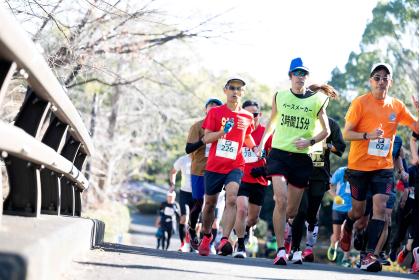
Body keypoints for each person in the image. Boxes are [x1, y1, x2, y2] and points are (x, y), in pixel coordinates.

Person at [258, 57, 337, 265]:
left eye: (304, 74)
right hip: (279, 155)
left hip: (302, 159)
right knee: (281, 200)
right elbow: (272, 123)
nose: (300, 77)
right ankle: (281, 249)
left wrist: (310, 141)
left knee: (292, 211)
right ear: (290, 76)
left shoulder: (317, 100)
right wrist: (261, 144)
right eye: (297, 73)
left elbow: (327, 131)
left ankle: (292, 239)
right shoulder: (280, 97)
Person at [340, 62, 418, 272]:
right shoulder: (360, 103)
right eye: (377, 77)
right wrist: (367, 136)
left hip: (383, 167)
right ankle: (348, 225)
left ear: (390, 82)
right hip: (358, 167)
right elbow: (346, 134)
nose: (381, 81)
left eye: (385, 78)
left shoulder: (397, 106)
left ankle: (369, 255)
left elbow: (416, 127)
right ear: (370, 81)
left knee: (381, 210)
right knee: (357, 212)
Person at [197, 76, 258, 256]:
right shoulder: (215, 113)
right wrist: (224, 131)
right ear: (225, 90)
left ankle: (224, 239)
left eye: (239, 89)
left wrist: (254, 147)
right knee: (209, 204)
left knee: (232, 199)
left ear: (243, 93)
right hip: (215, 165)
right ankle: (207, 236)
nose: (235, 92)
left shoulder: (247, 117)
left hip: (235, 164)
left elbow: (246, 136)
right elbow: (206, 138)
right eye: (232, 88)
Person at [287, 117, 346, 264]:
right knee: (301, 211)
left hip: (319, 175)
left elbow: (340, 147)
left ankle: (308, 247)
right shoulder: (300, 117)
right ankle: (295, 249)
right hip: (299, 171)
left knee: (312, 215)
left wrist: (326, 145)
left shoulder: (330, 124)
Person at [233, 100, 272, 258]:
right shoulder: (238, 132)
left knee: (253, 218)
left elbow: (274, 158)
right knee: (241, 209)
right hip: (241, 177)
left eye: (254, 114)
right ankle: (240, 245)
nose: (251, 117)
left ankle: (248, 229)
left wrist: (264, 169)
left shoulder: (266, 133)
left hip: (259, 180)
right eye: (248, 114)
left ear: (259, 115)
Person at [185, 97, 223, 250]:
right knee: (199, 202)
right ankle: (192, 228)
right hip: (199, 169)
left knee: (211, 204)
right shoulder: (197, 126)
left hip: (217, 169)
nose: (213, 108)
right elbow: (188, 149)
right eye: (210, 106)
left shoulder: (224, 126)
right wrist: (204, 140)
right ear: (205, 109)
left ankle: (206, 237)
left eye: (217, 106)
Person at [327, 166, 352, 267]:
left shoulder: (360, 172)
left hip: (351, 208)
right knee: (336, 236)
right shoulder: (341, 171)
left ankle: (346, 258)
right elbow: (329, 185)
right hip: (338, 208)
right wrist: (335, 196)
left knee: (348, 233)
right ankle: (333, 245)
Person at [169, 154, 192, 252]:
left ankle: (192, 244)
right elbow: (173, 172)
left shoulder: (203, 158)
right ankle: (183, 244)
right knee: (184, 219)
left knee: (196, 223)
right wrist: (173, 185)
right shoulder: (183, 160)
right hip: (185, 192)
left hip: (199, 193)